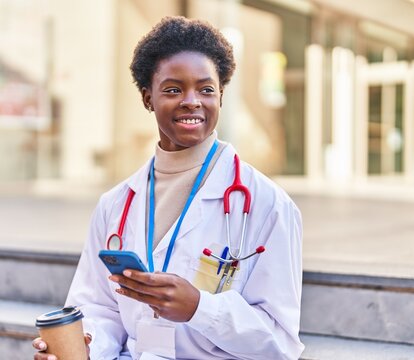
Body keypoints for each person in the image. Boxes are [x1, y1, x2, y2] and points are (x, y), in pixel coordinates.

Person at [33, 16, 304, 360]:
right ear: (148, 98)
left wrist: (199, 308)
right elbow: (100, 309)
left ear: (221, 95)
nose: (192, 101)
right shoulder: (115, 204)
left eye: (206, 89)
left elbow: (279, 344)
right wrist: (81, 347)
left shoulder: (269, 204)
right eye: (173, 89)